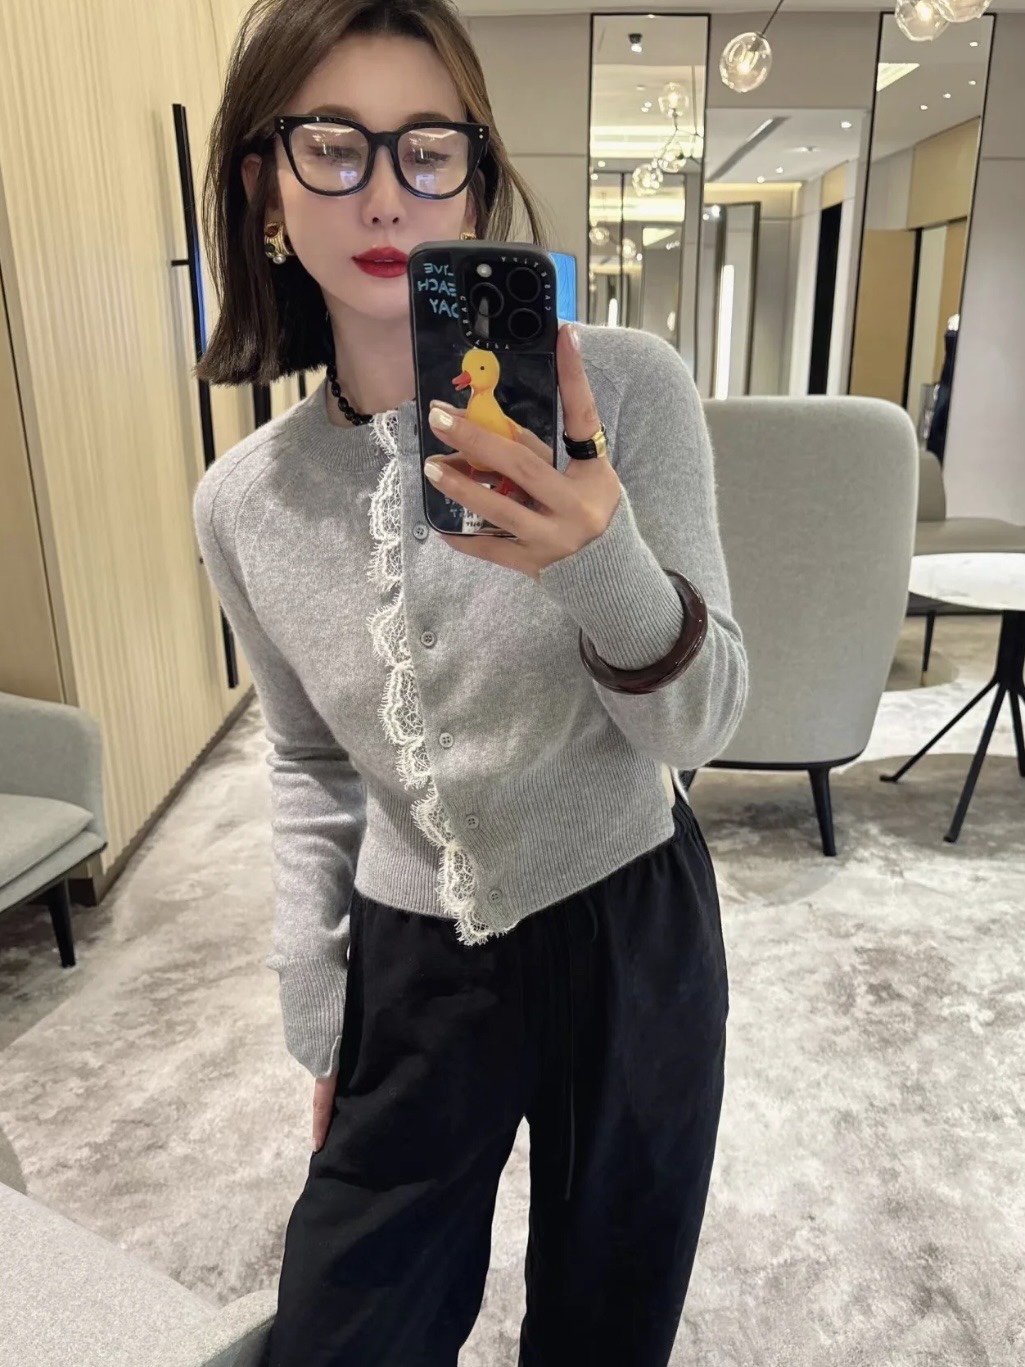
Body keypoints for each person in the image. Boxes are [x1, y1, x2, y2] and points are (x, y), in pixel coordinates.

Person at [192, 1, 748, 1363]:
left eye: (427, 148)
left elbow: (704, 721)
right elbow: (306, 760)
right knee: (347, 1324)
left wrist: (598, 560)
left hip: (630, 927)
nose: (385, 191)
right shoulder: (244, 501)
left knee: (606, 1323)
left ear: (478, 181)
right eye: (334, 145)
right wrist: (320, 1006)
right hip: (411, 956)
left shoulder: (626, 391)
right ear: (264, 186)